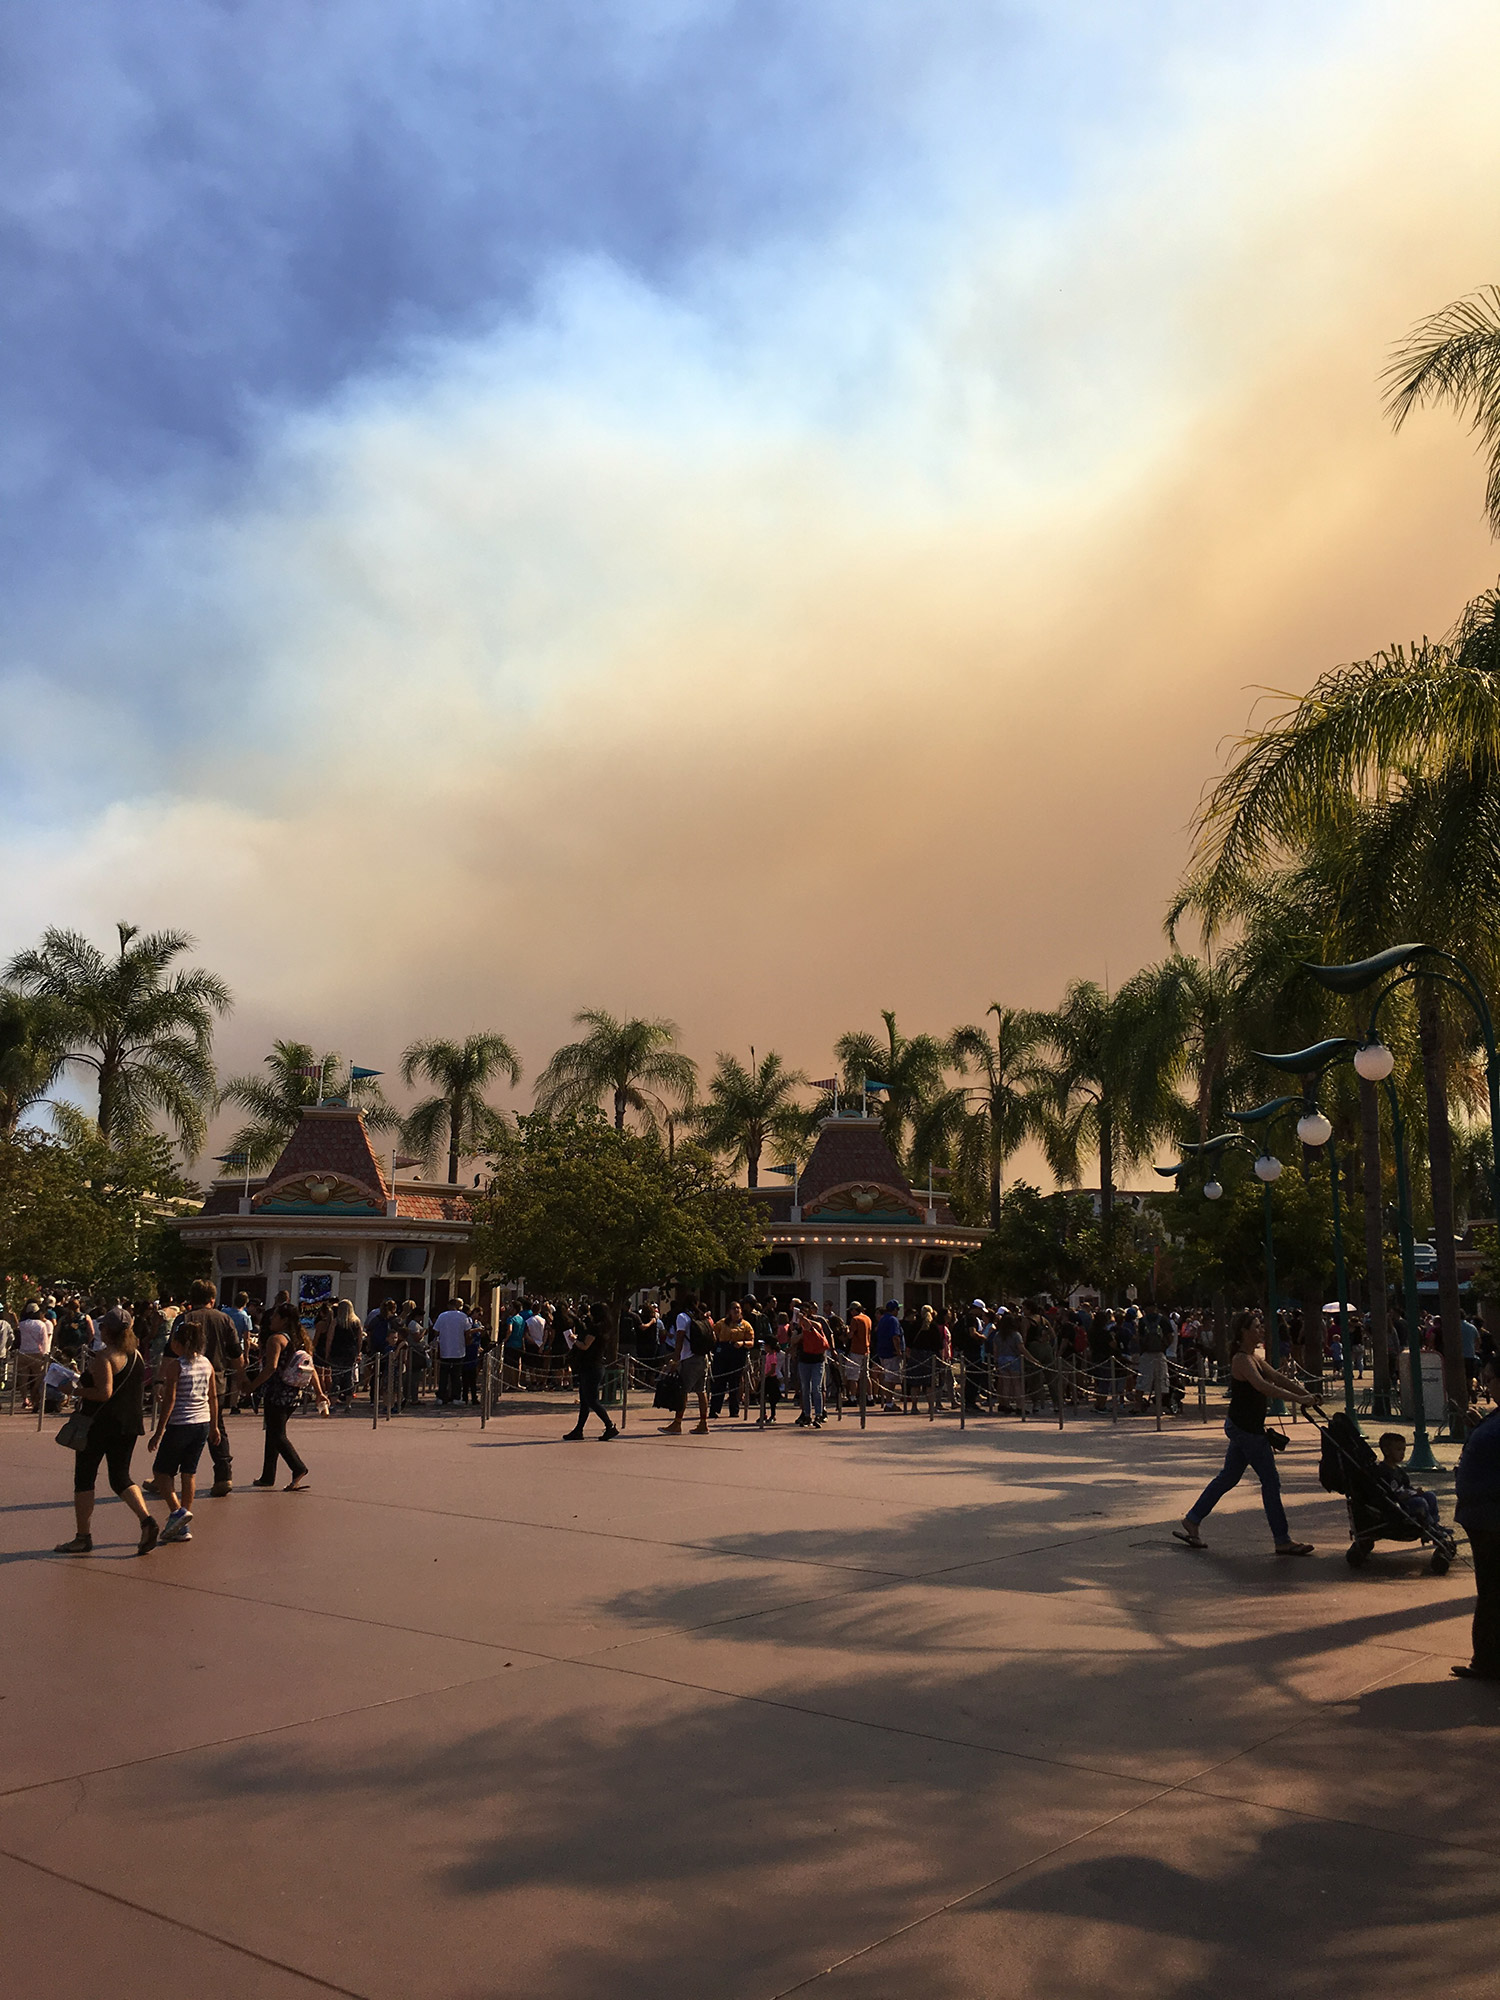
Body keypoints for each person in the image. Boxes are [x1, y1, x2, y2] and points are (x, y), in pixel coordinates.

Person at [1175, 1309, 1319, 1556]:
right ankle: (1282, 1539)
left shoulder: (1254, 1358)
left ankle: (1193, 1519)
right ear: (1243, 1331)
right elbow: (1263, 1386)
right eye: (1256, 1327)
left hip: (1246, 1427)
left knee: (1229, 1477)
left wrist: (1306, 1393)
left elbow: (1276, 1377)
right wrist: (1299, 1398)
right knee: (1270, 1481)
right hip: (1246, 1430)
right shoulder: (1241, 1359)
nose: (1261, 1330)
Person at [55, 1307, 159, 1556]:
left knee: (84, 1478)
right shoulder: (136, 1357)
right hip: (128, 1426)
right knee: (120, 1477)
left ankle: (83, 1536)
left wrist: (74, 1390)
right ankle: (146, 1520)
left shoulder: (104, 1357)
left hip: (98, 1426)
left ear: (107, 1330)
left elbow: (104, 1393)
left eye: (102, 1327)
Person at [148, 1318, 221, 1542]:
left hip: (180, 1423)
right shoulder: (207, 1363)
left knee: (161, 1472)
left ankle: (177, 1512)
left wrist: (158, 1432)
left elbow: (170, 1400)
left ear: (179, 1344)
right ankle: (182, 1522)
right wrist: (214, 1426)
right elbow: (213, 1396)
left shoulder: (176, 1366)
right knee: (189, 1471)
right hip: (202, 1422)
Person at [1453, 1353, 1500, 1681]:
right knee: (1491, 1591)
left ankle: (1487, 1661)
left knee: (1493, 1592)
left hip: (1491, 1515)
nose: (1485, 1383)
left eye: (1489, 1377)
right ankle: (1485, 1659)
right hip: (1483, 1515)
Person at [174, 1280, 243, 1497]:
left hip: (185, 1382)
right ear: (212, 1299)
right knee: (217, 1427)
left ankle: (167, 1472)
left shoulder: (184, 1319)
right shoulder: (225, 1319)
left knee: (179, 1426)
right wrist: (241, 1381)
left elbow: (171, 1353)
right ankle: (223, 1474)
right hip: (217, 1381)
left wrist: (161, 1382)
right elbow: (236, 1355)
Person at [249, 1305, 327, 1489]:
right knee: (273, 1431)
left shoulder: (275, 1339)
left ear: (283, 1319)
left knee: (277, 1434)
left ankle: (298, 1467)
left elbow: (271, 1367)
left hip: (277, 1392)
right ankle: (268, 1475)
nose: (271, 1320)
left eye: (275, 1316)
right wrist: (319, 1392)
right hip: (294, 1392)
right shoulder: (300, 1339)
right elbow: (310, 1367)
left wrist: (252, 1386)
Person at [563, 1301, 619, 1441]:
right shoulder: (606, 1328)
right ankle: (578, 1430)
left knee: (591, 1400)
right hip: (595, 1365)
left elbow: (585, 1345)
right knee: (585, 1401)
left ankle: (609, 1425)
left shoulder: (595, 1329)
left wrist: (574, 1339)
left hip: (591, 1366)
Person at [662, 1294, 712, 1436]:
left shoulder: (682, 1317)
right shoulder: (701, 1316)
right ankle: (703, 1423)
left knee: (682, 1390)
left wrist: (675, 1359)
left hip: (688, 1358)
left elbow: (679, 1339)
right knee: (701, 1391)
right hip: (702, 1357)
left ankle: (677, 1423)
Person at [1374, 1432, 1442, 1537]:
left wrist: (1415, 1491)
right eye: (1398, 1450)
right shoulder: (1382, 1471)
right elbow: (1387, 1493)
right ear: (1387, 1451)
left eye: (1403, 1450)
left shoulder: (1400, 1472)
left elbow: (1407, 1486)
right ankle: (1429, 1526)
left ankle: (1434, 1523)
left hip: (1407, 1498)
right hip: (1396, 1504)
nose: (1402, 1453)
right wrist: (1403, 1496)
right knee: (1420, 1502)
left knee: (1430, 1496)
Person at [709, 1300, 752, 1419]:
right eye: (734, 1308)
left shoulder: (746, 1325)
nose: (736, 1310)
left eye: (738, 1308)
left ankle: (734, 1410)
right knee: (719, 1383)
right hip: (723, 1352)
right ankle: (714, 1410)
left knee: (734, 1383)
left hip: (737, 1353)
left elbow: (751, 1342)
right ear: (729, 1311)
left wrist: (742, 1343)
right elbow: (713, 1332)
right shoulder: (722, 1323)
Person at [795, 1307, 829, 1428]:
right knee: (805, 1388)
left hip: (817, 1360)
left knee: (816, 1387)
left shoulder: (816, 1323)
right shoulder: (797, 1327)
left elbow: (818, 1326)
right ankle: (807, 1414)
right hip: (804, 1360)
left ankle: (818, 1414)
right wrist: (799, 1334)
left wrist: (804, 1319)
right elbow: (792, 1340)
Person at [433, 1297, 472, 1405]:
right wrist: (467, 1342)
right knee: (456, 1375)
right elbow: (467, 1333)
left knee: (443, 1375)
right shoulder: (463, 1317)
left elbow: (436, 1331)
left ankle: (441, 1397)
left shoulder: (442, 1316)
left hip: (445, 1349)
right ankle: (456, 1397)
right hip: (458, 1349)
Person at [17, 1300, 51, 1412]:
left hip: (23, 1351)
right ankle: (34, 1396)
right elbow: (44, 1340)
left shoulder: (22, 1324)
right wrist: (45, 1353)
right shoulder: (41, 1324)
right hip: (36, 1352)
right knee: (38, 1377)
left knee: (23, 1377)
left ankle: (24, 1398)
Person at [874, 1300, 904, 1410]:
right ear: (894, 1309)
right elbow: (895, 1337)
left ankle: (888, 1401)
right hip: (891, 1353)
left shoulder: (883, 1320)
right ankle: (889, 1403)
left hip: (883, 1352)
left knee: (888, 1377)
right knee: (891, 1379)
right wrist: (899, 1350)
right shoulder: (893, 1320)